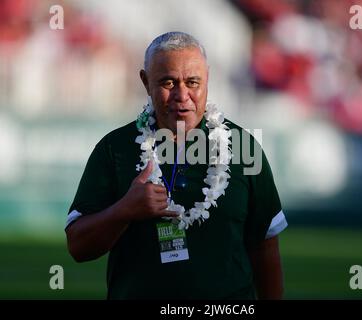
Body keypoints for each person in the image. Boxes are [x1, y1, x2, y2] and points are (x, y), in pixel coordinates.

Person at [65, 31, 288, 300]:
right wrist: (124, 210)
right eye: (168, 82)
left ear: (208, 79)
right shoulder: (115, 148)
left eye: (193, 82)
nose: (182, 95)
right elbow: (78, 247)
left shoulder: (243, 147)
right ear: (146, 82)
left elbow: (265, 248)